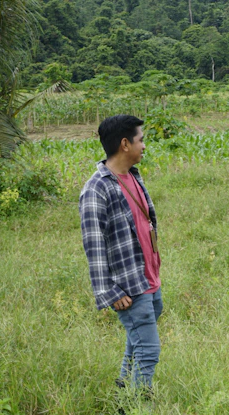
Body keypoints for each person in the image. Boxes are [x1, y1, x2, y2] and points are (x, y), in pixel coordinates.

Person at [79, 114, 163, 393]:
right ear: (125, 144)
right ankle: (138, 410)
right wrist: (109, 291)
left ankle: (123, 392)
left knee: (138, 341)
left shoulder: (132, 177)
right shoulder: (96, 188)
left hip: (147, 276)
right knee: (148, 350)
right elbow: (94, 245)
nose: (145, 146)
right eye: (141, 140)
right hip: (127, 283)